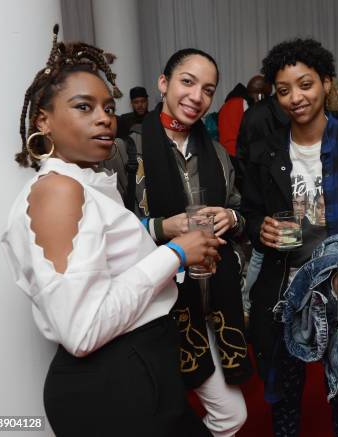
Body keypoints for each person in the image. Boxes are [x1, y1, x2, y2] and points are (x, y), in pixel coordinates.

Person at [1, 25, 220, 436]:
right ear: (43, 121)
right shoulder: (58, 191)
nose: (104, 117)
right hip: (112, 383)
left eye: (107, 107)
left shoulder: (84, 184)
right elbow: (82, 331)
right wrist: (173, 253)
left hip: (141, 367)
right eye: (84, 107)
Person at [103, 48, 251, 437]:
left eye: (207, 89)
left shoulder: (218, 154)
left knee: (231, 414)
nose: (196, 96)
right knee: (154, 418)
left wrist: (231, 218)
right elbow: (103, 231)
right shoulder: (126, 151)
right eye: (187, 82)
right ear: (164, 84)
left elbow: (241, 216)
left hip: (205, 309)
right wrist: (158, 228)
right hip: (144, 317)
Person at [241, 37, 338, 437]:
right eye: (283, 90)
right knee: (285, 386)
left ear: (327, 83)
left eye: (306, 84)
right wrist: (259, 228)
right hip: (287, 282)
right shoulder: (267, 149)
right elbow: (249, 209)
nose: (295, 97)